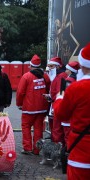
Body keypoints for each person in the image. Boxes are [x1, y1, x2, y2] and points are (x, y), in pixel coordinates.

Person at [53, 43, 90, 179]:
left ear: (83, 65)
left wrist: (59, 99)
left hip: (80, 150)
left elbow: (61, 114)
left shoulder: (75, 88)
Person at [16, 54, 51, 155]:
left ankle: (27, 148)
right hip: (42, 107)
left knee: (26, 127)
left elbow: (20, 92)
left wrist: (19, 104)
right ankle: (37, 149)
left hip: (29, 108)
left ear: (30, 65)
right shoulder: (45, 76)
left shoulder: (26, 76)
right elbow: (49, 89)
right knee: (38, 128)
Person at [44, 57, 67, 144]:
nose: (49, 68)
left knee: (57, 129)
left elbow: (60, 93)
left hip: (56, 105)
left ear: (57, 66)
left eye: (51, 66)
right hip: (54, 104)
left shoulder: (60, 76)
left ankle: (57, 149)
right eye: (48, 66)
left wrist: (52, 99)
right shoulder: (56, 76)